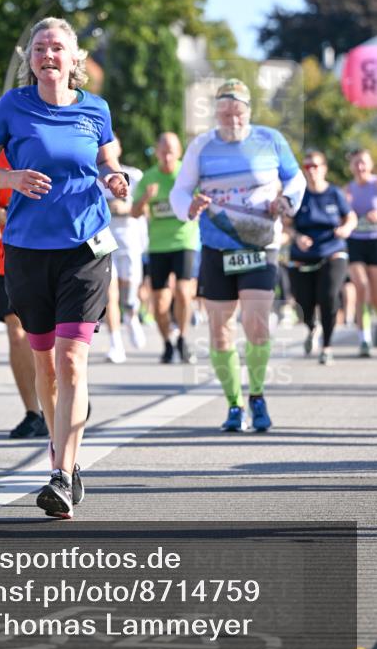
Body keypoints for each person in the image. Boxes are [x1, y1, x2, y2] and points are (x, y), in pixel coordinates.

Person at [0, 17, 129, 518]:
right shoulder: (12, 107)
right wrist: (11, 177)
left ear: (75, 58)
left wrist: (117, 177)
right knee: (45, 364)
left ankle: (60, 473)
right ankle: (65, 454)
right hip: (26, 249)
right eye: (39, 48)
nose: (48, 55)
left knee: (71, 360)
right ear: (30, 59)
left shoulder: (95, 110)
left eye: (57, 48)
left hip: (85, 248)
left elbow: (108, 163)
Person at [170, 79, 306, 432]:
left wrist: (287, 201)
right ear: (215, 113)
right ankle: (233, 404)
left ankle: (257, 396)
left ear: (248, 112)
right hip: (217, 246)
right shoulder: (202, 145)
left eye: (238, 111)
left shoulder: (270, 139)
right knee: (220, 331)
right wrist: (190, 205)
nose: (231, 118)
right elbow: (180, 190)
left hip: (261, 244)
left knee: (257, 323)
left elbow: (296, 180)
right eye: (225, 112)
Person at [0, 150, 48, 438]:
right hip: (7, 261)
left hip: (51, 258)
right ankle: (34, 413)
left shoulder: (48, 149)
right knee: (16, 333)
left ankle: (61, 393)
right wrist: (17, 214)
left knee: (52, 338)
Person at [132, 132, 199, 363]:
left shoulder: (188, 176)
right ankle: (167, 343)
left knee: (182, 292)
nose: (167, 156)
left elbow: (200, 205)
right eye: (163, 151)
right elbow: (134, 212)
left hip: (184, 242)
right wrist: (144, 200)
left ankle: (182, 338)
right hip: (158, 246)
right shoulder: (149, 178)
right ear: (157, 152)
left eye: (171, 151)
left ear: (179, 152)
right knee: (159, 303)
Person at [287, 151, 356, 365]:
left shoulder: (334, 193)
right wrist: (297, 237)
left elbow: (350, 217)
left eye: (316, 166)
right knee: (304, 302)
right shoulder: (298, 195)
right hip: (303, 255)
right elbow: (287, 226)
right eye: (307, 167)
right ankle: (311, 327)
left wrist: (346, 228)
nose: (312, 171)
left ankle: (326, 346)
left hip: (332, 251)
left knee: (328, 296)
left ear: (324, 168)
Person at [100, 135, 145, 362]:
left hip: (129, 237)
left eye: (111, 145)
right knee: (110, 291)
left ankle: (132, 315)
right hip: (103, 239)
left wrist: (125, 208)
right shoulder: (93, 178)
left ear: (119, 147)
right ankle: (116, 343)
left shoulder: (135, 176)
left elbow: (143, 208)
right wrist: (109, 207)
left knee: (129, 290)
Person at [346, 148, 377, 357]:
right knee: (361, 287)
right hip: (355, 242)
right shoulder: (347, 189)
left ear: (371, 164)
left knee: (375, 294)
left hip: (375, 241)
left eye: (363, 162)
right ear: (351, 167)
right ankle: (363, 337)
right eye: (356, 163)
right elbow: (341, 214)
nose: (360, 167)